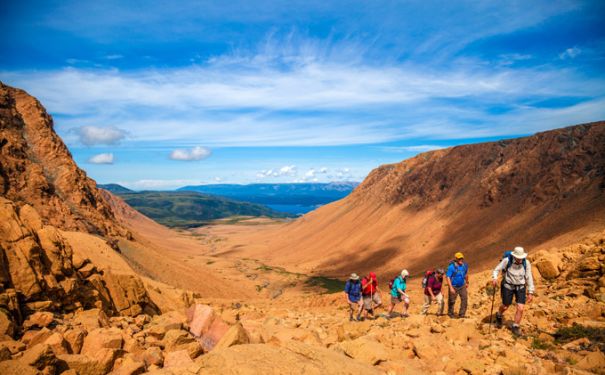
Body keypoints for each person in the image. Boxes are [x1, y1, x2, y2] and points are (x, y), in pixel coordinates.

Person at [492, 246, 535, 336]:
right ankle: (499, 315)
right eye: (518, 258)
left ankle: (515, 326)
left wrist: (530, 292)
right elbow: (496, 270)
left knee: (520, 308)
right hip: (508, 286)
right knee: (505, 306)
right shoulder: (507, 260)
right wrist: (495, 278)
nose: (520, 260)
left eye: (521, 258)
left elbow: (529, 276)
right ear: (514, 256)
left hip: (521, 287)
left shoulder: (526, 263)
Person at [446, 252, 469, 318]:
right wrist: (451, 287)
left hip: (462, 285)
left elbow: (466, 274)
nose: (461, 260)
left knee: (465, 299)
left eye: (462, 258)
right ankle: (450, 314)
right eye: (459, 259)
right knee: (452, 301)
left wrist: (467, 282)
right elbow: (448, 277)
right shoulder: (451, 267)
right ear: (456, 259)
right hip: (453, 286)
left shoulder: (464, 266)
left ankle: (462, 314)